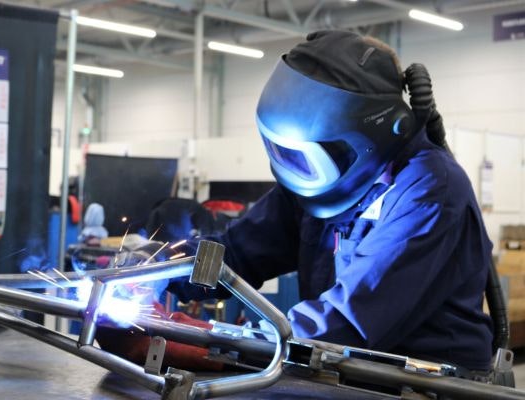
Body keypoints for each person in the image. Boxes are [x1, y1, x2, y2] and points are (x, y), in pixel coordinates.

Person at [167, 29, 493, 372]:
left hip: (426, 381)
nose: (296, 170)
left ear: (373, 135)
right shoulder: (321, 188)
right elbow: (236, 252)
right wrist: (160, 270)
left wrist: (217, 343)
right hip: (347, 373)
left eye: (307, 156)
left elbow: (348, 322)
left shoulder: (430, 190)